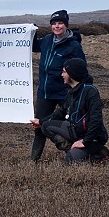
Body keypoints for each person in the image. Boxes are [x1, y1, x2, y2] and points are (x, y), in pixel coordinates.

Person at [31, 58, 109, 165]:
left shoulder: (90, 91)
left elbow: (96, 119)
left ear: (72, 74)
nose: (61, 75)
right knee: (46, 126)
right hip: (76, 131)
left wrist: (85, 142)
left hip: (92, 138)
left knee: (69, 162)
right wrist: (40, 122)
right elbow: (60, 113)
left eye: (64, 72)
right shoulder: (72, 92)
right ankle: (73, 149)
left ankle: (98, 153)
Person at [31, 9, 86, 162]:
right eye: (54, 23)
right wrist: (31, 31)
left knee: (73, 124)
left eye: (60, 23)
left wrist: (80, 90)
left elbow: (82, 68)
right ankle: (34, 159)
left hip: (64, 93)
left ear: (66, 25)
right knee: (39, 126)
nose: (57, 26)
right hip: (45, 93)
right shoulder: (48, 40)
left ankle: (80, 152)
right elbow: (34, 45)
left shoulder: (73, 45)